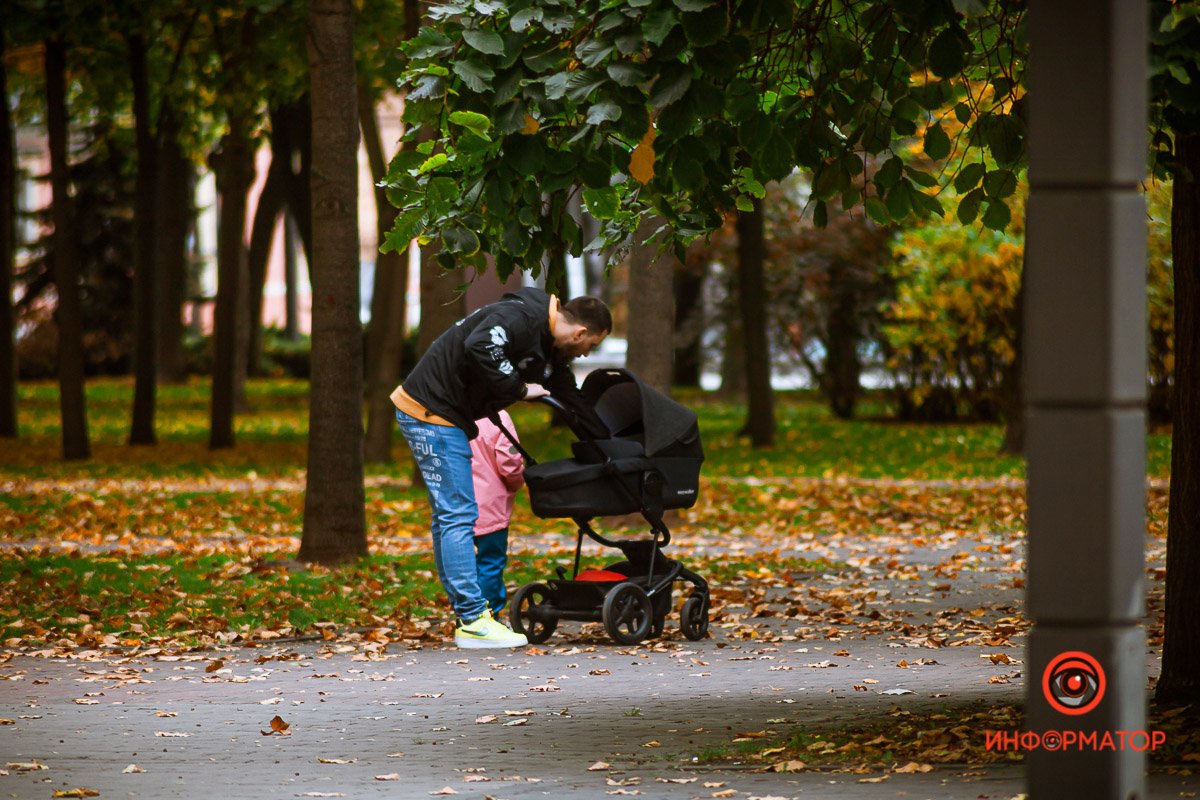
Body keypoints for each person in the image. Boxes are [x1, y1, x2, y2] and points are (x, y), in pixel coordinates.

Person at [393, 287, 611, 648]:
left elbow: (568, 395)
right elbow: (480, 344)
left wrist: (606, 443)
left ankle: (470, 616)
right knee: (458, 514)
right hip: (431, 411)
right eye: (591, 345)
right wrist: (519, 389)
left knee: (450, 515)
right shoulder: (523, 318)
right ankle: (474, 622)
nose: (587, 352)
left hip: (438, 412)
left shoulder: (546, 347)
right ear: (580, 333)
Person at [470, 410, 524, 617]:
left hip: (455, 503)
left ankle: (465, 612)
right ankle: (487, 614)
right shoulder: (497, 416)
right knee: (490, 561)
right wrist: (516, 482)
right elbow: (509, 461)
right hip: (489, 503)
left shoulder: (449, 411)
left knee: (462, 563)